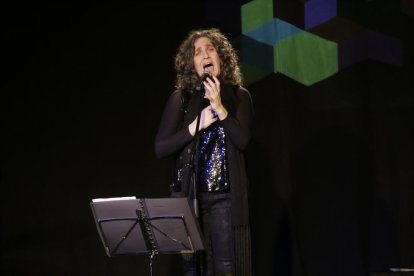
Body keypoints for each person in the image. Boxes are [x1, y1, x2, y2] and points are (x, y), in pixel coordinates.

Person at [154, 27, 253, 276]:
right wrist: (193, 127)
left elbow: (242, 141)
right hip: (189, 196)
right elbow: (160, 147)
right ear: (192, 64)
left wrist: (220, 108)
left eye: (210, 49)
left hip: (225, 198)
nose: (204, 54)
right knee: (194, 269)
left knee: (226, 268)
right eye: (198, 52)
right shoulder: (182, 99)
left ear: (220, 58)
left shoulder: (240, 97)